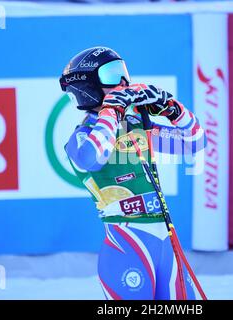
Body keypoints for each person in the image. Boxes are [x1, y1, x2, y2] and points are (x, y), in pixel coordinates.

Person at [59, 46, 206, 300]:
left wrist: (173, 109)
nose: (124, 82)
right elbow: (93, 158)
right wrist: (111, 110)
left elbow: (195, 144)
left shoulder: (136, 127)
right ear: (88, 86)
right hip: (127, 244)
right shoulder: (80, 139)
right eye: (111, 74)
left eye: (123, 71)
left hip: (165, 243)